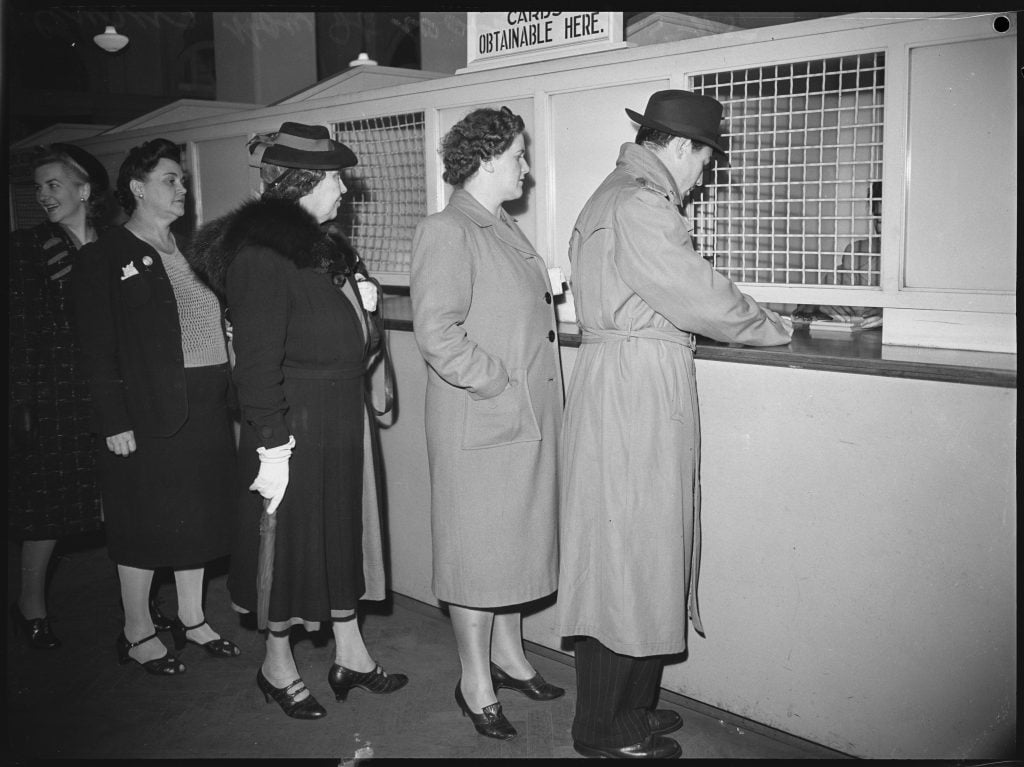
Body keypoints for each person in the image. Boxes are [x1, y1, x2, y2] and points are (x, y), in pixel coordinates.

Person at [557, 90, 793, 759]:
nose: (706, 175)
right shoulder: (639, 205)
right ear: (683, 147)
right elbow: (699, 293)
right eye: (706, 159)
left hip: (627, 383)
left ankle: (632, 706)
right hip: (634, 390)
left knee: (642, 550)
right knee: (626, 557)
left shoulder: (614, 194)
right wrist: (774, 327)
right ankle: (603, 726)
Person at [186, 122, 407, 720]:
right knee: (283, 545)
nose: (344, 188)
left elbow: (349, 329)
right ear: (306, 182)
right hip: (292, 422)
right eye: (336, 177)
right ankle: (276, 665)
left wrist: (365, 316)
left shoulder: (324, 248)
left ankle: (351, 652)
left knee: (337, 536)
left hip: (337, 414)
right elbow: (255, 367)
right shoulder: (262, 259)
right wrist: (272, 446)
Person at [410, 106, 564, 741]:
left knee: (512, 545)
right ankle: (474, 680)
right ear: (487, 158)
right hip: (482, 418)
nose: (527, 168)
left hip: (516, 419)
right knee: (478, 556)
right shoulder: (449, 229)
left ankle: (509, 654)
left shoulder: (499, 226)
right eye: (520, 156)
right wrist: (499, 382)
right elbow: (436, 333)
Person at [72, 138, 239, 676]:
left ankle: (191, 617)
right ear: (138, 188)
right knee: (144, 523)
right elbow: (95, 350)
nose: (183, 188)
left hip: (206, 408)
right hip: (147, 413)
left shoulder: (191, 250)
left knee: (196, 519)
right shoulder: (104, 256)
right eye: (171, 179)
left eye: (183, 180)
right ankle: (137, 628)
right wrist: (113, 420)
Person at [9, 144, 110, 649]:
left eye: (54, 184)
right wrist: (22, 400)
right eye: (39, 187)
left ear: (84, 190)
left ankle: (137, 601)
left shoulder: (114, 244)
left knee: (118, 499)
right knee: (46, 507)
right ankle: (30, 603)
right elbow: (20, 329)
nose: (44, 195)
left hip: (108, 390)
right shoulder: (27, 246)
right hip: (55, 394)